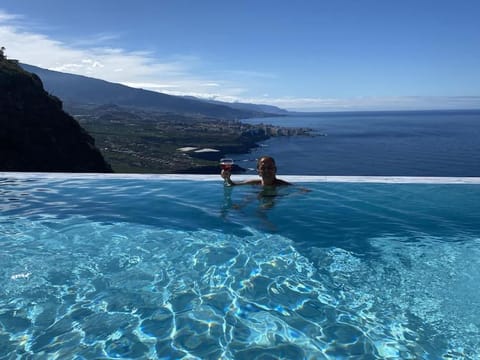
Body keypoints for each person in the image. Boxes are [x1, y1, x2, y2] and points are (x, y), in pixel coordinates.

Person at [221, 156, 291, 186]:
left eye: (269, 168)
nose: (266, 170)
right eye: (263, 168)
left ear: (275, 170)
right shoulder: (254, 183)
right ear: (258, 172)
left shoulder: (283, 185)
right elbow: (233, 185)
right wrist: (227, 178)